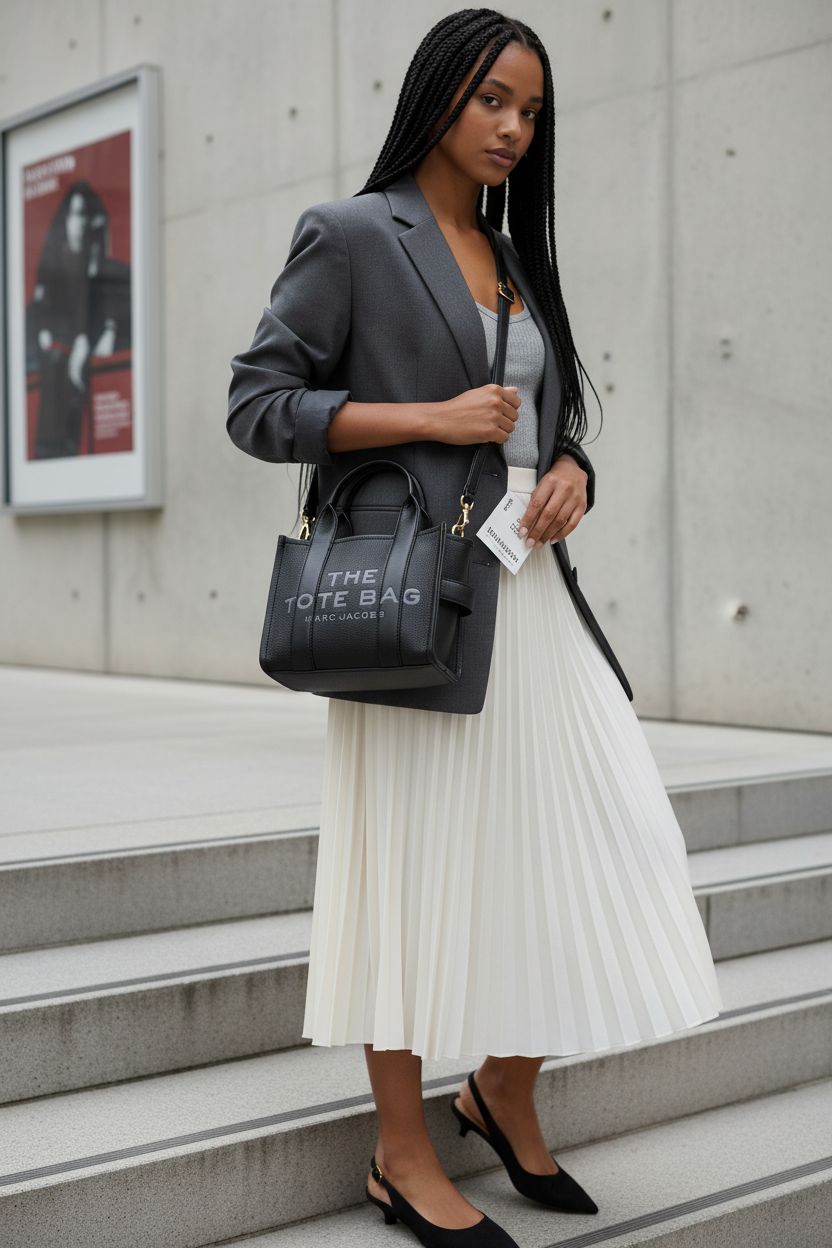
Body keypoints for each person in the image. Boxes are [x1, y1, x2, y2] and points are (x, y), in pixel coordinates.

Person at [227, 10, 723, 1247]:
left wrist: (573, 474)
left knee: (609, 845)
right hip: (418, 608)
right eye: (493, 100)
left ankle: (501, 1086)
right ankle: (401, 1152)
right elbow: (259, 406)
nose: (513, 127)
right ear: (440, 94)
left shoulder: (511, 253)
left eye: (531, 111)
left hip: (536, 597)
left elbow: (546, 424)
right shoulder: (351, 235)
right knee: (406, 869)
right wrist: (423, 420)